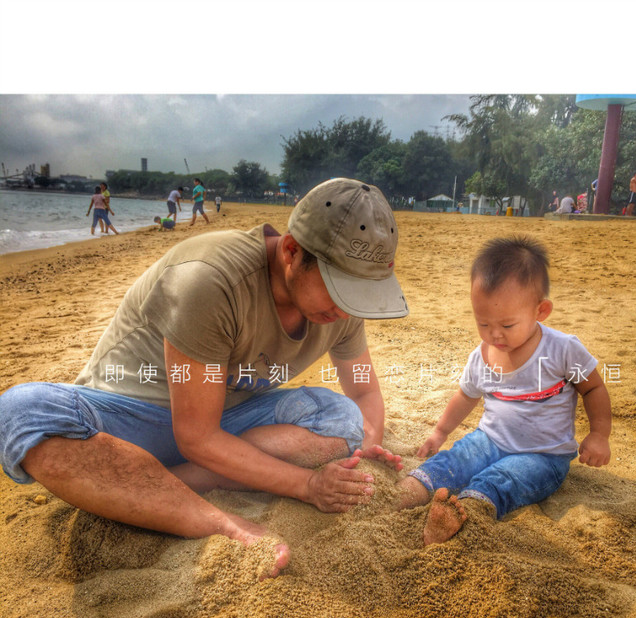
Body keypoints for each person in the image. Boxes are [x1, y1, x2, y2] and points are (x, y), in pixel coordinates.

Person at [0, 178, 409, 578]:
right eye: (339, 289)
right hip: (130, 420)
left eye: (360, 294)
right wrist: (308, 485)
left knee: (343, 419)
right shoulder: (210, 279)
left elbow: (363, 388)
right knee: (20, 412)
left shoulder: (342, 313)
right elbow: (195, 435)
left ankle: (152, 488)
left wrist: (363, 456)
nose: (344, 309)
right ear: (290, 251)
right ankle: (212, 519)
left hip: (229, 420)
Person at [394, 235, 611, 546]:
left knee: (500, 480)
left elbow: (594, 389)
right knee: (453, 461)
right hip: (489, 440)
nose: (494, 334)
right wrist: (440, 433)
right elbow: (466, 396)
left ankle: (463, 514)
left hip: (542, 457)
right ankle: (404, 493)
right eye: (483, 323)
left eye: (507, 326)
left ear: (541, 311)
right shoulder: (481, 357)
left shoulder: (563, 350)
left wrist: (599, 434)